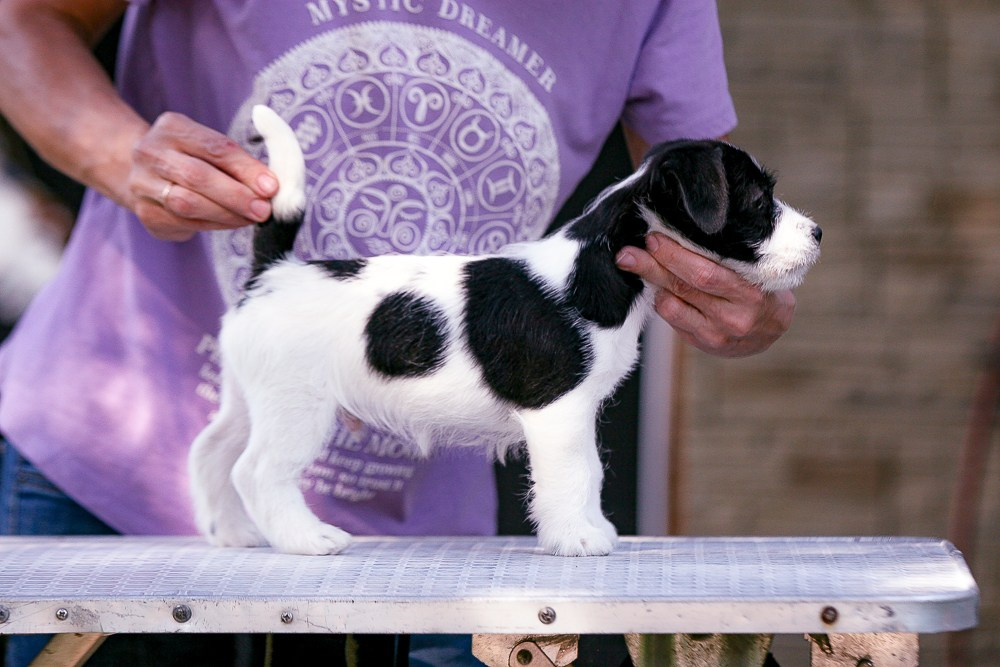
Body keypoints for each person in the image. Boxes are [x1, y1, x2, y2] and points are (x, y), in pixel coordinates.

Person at [0, 1, 796, 664]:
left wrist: (744, 283)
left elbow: (707, 183)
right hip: (99, 476)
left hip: (429, 542)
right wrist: (121, 155)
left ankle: (241, 500)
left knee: (245, 423)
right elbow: (21, 20)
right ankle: (262, 502)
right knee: (269, 426)